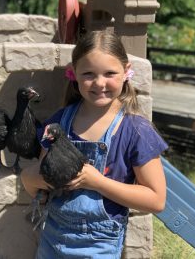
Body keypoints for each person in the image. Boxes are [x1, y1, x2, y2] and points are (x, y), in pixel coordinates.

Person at [21, 30, 167, 258]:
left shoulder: (136, 131)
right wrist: (28, 178)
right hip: (52, 239)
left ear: (126, 72)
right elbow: (40, 186)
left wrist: (98, 182)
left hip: (99, 246)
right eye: (88, 74)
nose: (100, 83)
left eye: (110, 73)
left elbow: (156, 200)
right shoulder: (59, 122)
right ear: (74, 74)